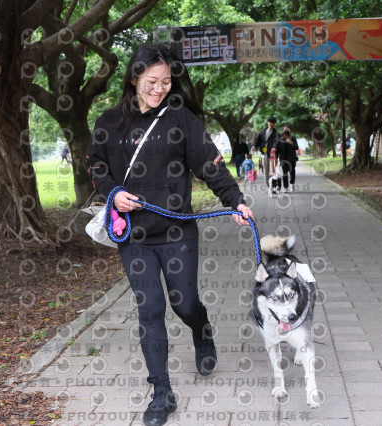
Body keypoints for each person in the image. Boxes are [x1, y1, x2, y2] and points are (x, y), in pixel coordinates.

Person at [86, 43, 253, 426]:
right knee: (150, 309)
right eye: (151, 81)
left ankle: (202, 330)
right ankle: (161, 391)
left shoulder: (180, 119)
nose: (159, 88)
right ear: (134, 78)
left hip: (178, 231)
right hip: (134, 236)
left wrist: (236, 201)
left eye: (165, 82)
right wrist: (112, 192)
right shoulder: (108, 122)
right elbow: (96, 165)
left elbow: (210, 166)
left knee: (184, 303)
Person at [252, 116, 280, 186]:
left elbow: (276, 142)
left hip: (272, 154)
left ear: (275, 124)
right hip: (264, 153)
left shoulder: (276, 133)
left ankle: (273, 186)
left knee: (273, 170)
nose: (271, 124)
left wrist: (274, 148)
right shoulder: (263, 131)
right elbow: (258, 140)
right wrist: (254, 146)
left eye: (273, 123)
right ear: (268, 123)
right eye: (270, 123)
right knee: (265, 171)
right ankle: (268, 186)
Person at [281, 125, 299, 192]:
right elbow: (278, 148)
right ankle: (285, 187)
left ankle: (292, 184)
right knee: (284, 173)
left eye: (287, 129)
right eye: (284, 129)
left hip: (292, 158)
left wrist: (292, 143)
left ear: (290, 130)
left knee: (292, 173)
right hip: (284, 159)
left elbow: (296, 147)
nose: (285, 130)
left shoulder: (293, 138)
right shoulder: (281, 139)